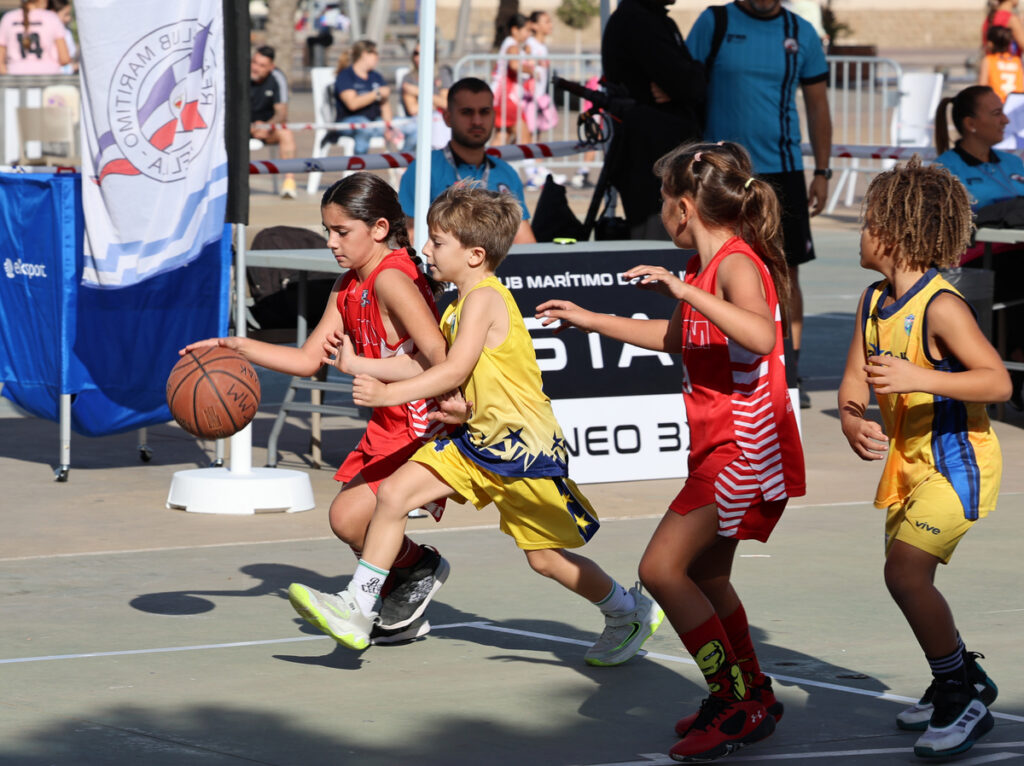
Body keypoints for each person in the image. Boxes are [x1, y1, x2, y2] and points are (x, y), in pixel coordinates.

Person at [312, 184, 665, 664]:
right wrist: (363, 366)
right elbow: (429, 367)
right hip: (473, 443)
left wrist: (387, 394)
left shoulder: (484, 300)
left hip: (522, 453)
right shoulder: (458, 305)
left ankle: (628, 610)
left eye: (438, 242)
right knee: (393, 494)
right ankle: (358, 605)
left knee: (545, 559)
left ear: (475, 255)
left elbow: (452, 371)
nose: (427, 249)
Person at [536, 141, 805, 762]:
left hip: (746, 447)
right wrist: (590, 318)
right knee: (707, 575)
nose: (660, 209)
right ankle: (752, 692)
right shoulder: (707, 272)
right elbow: (675, 339)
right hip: (723, 445)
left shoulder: (737, 265)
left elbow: (762, 332)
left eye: (663, 198)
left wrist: (684, 292)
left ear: (685, 207)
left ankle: (733, 702)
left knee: (660, 570)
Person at [182, 173, 457, 645]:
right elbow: (309, 360)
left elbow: (439, 356)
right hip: (388, 422)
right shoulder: (347, 285)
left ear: (378, 228)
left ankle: (392, 585)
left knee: (349, 518)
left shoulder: (392, 278)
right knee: (350, 522)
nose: (330, 242)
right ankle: (406, 587)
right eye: (327, 230)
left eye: (341, 231)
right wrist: (235, 346)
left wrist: (363, 365)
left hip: (421, 425)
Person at [838, 157, 1008, 759]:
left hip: (958, 465)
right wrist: (855, 421)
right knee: (909, 582)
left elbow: (997, 383)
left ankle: (962, 696)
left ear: (892, 232)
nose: (858, 231)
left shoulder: (942, 307)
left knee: (905, 574)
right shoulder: (872, 301)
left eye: (864, 222)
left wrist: (921, 376)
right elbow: (853, 382)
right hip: (906, 466)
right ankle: (960, 676)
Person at [688, 0, 833, 410]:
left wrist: (822, 171)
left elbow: (819, 105)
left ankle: (790, 372)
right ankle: (718, 363)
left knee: (786, 272)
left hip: (782, 173)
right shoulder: (714, 22)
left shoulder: (800, 32)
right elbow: (683, 85)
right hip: (721, 171)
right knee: (716, 266)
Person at [933, 85, 1024, 408]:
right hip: (974, 265)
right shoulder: (945, 169)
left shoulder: (1014, 162)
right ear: (971, 123)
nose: (1005, 122)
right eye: (996, 113)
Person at [601, 0, 706, 240]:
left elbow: (688, 83)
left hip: (665, 155)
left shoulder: (657, 20)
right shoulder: (637, 20)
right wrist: (692, 79)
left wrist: (691, 79)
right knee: (658, 248)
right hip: (649, 159)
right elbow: (687, 83)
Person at [398, 77, 536, 244]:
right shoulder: (423, 169)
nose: (477, 121)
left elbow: (525, 244)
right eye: (467, 112)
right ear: (447, 118)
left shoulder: (506, 172)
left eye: (484, 112)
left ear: (493, 115)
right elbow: (410, 239)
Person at [331, 40, 402, 155]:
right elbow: (352, 104)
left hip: (374, 122)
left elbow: (385, 104)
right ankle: (360, 169)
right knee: (364, 126)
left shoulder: (376, 76)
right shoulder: (346, 75)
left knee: (410, 126)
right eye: (375, 53)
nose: (377, 57)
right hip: (349, 122)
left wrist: (389, 126)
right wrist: (376, 94)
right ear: (364, 54)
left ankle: (407, 165)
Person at [249, 45, 298, 199]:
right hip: (239, 128)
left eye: (261, 65)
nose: (255, 68)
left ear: (271, 67)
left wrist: (267, 126)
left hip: (267, 129)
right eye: (254, 62)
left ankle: (289, 184)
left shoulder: (277, 78)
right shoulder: (240, 74)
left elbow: (281, 113)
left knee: (286, 133)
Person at [399, 44, 453, 154]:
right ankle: (403, 164)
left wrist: (418, 92)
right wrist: (435, 102)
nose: (418, 57)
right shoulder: (408, 78)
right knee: (416, 131)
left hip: (440, 123)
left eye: (422, 53)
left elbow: (447, 104)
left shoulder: (442, 74)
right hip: (417, 123)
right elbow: (413, 109)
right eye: (415, 53)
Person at [492, 13, 535, 146]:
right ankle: (530, 166)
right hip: (506, 97)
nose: (529, 34)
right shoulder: (512, 46)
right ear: (515, 30)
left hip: (501, 97)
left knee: (503, 135)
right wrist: (532, 70)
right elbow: (514, 65)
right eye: (527, 30)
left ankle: (485, 163)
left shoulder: (511, 45)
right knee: (525, 137)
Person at [0, 0, 70, 75]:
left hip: (16, 78)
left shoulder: (8, 18)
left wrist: (8, 77)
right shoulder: (52, 18)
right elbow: (64, 59)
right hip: (49, 77)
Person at [979, 25, 1024, 103]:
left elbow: (981, 88)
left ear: (990, 43)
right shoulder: (1017, 60)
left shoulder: (988, 60)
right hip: (1017, 104)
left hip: (998, 104)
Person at [46, 0, 75, 74]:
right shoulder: (46, 33)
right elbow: (65, 60)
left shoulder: (67, 32)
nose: (69, 18)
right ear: (53, 13)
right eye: (66, 14)